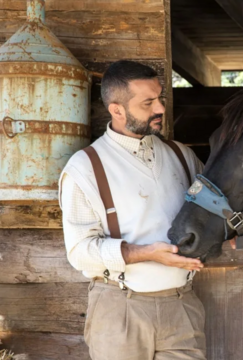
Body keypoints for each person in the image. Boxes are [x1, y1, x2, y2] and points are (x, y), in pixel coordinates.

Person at [58, 60, 207, 360]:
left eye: (160, 98)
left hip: (182, 307)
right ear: (117, 110)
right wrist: (146, 253)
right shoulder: (85, 168)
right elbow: (80, 251)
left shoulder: (183, 156)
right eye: (148, 102)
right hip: (120, 309)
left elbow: (213, 210)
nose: (161, 109)